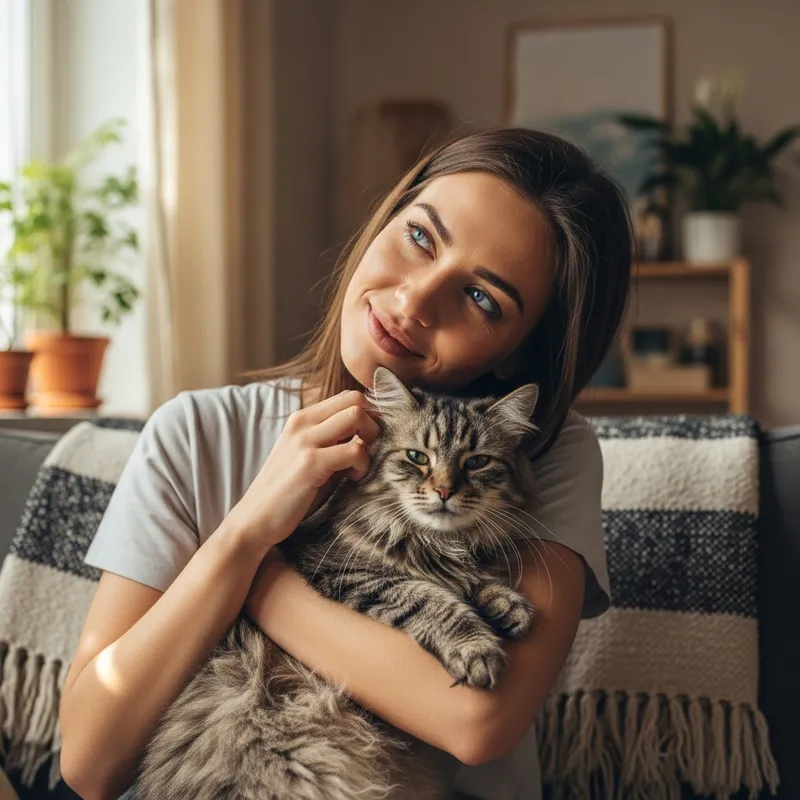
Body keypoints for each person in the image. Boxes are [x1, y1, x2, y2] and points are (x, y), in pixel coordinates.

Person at [59, 127, 632, 800]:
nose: (414, 302)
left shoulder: (539, 453)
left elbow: (475, 718)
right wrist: (245, 530)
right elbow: (90, 762)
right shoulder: (196, 432)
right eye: (421, 236)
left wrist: (261, 581)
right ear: (385, 216)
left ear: (518, 352)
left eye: (482, 299)